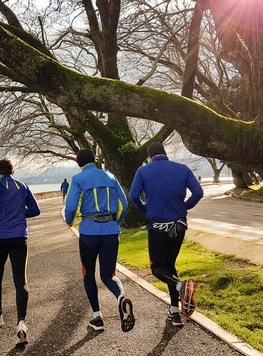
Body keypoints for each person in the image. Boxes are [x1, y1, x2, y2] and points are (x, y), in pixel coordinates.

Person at [128, 142, 203, 326]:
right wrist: (184, 206)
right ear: (165, 154)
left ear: (149, 157)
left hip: (158, 227)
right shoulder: (182, 169)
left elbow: (133, 196)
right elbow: (198, 193)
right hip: (179, 226)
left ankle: (180, 286)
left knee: (157, 269)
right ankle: (175, 311)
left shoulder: (143, 171)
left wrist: (145, 208)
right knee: (170, 266)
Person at [65, 149, 135, 333]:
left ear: (80, 164)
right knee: (108, 275)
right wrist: (115, 222)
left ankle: (97, 317)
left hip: (89, 233)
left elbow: (71, 206)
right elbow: (124, 204)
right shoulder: (110, 176)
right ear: (94, 161)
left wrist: (69, 220)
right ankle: (121, 298)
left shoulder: (78, 179)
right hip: (111, 232)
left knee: (88, 274)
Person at [0, 159, 41, 345]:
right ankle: (21, 322)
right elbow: (35, 210)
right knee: (20, 279)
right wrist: (19, 214)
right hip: (18, 237)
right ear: (12, 172)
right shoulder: (21, 186)